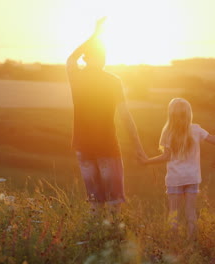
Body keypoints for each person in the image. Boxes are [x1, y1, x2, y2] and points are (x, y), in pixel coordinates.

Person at [66, 17, 145, 216]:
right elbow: (125, 116)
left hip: (83, 145)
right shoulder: (113, 81)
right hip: (106, 145)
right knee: (113, 200)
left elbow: (70, 59)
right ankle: (111, 239)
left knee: (95, 200)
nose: (103, 58)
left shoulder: (77, 78)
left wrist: (94, 35)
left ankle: (95, 240)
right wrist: (138, 148)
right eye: (101, 55)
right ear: (91, 57)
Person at [139, 98, 215, 239]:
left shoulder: (167, 132)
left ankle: (173, 243)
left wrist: (147, 161)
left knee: (173, 213)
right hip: (192, 178)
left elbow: (165, 157)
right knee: (190, 213)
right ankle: (192, 242)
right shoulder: (196, 129)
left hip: (175, 179)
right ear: (189, 113)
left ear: (170, 114)